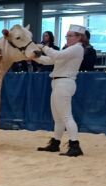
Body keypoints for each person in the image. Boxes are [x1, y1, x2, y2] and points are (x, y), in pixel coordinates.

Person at [33, 24, 86, 157]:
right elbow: (49, 60)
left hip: (64, 82)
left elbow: (56, 55)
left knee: (66, 116)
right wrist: (33, 56)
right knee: (58, 118)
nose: (67, 38)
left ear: (79, 37)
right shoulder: (68, 50)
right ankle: (55, 143)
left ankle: (75, 145)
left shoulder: (77, 49)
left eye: (70, 35)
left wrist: (43, 47)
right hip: (58, 82)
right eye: (67, 35)